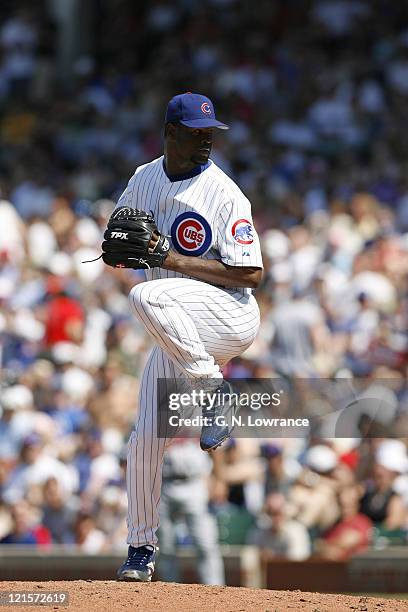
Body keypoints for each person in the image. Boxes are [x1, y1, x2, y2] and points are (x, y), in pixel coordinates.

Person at [114, 92, 263, 581]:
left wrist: (167, 259)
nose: (206, 142)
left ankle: (215, 392)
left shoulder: (224, 192)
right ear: (170, 133)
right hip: (178, 332)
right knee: (142, 444)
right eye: (197, 133)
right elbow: (118, 242)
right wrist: (121, 246)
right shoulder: (144, 178)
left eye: (210, 134)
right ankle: (140, 549)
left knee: (147, 297)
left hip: (227, 317)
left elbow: (252, 274)